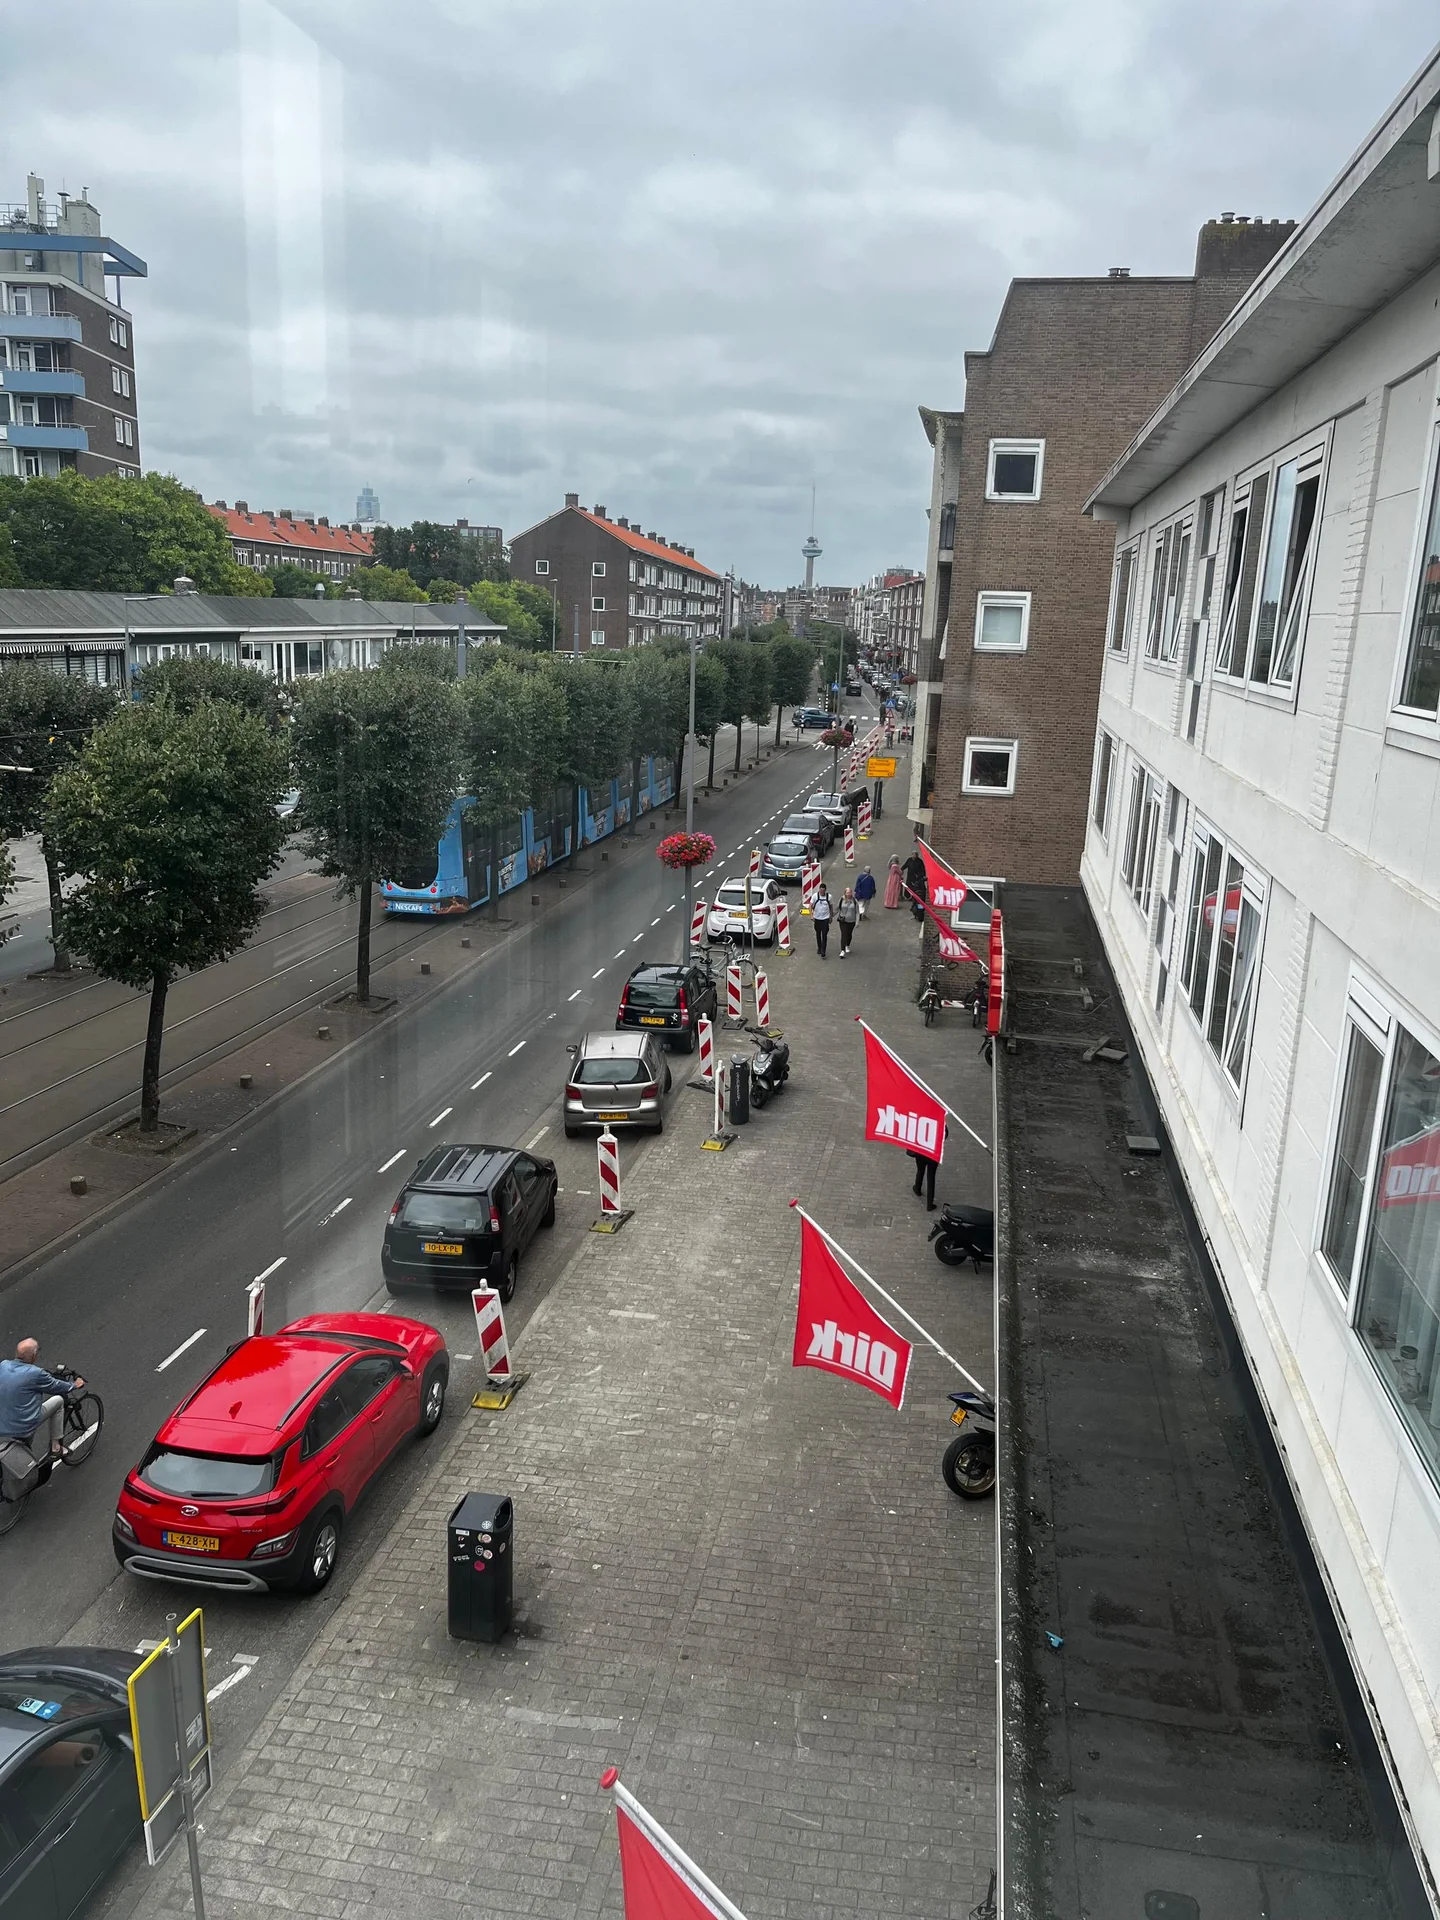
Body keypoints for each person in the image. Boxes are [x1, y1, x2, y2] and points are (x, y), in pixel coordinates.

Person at [0, 1339, 83, 1464]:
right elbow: (56, 1386)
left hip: (3, 1421)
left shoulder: (4, 1365)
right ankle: (56, 1447)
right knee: (59, 1401)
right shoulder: (35, 1373)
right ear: (33, 1355)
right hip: (23, 1424)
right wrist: (74, 1385)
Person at [812, 884, 833, 957]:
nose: (821, 892)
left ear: (825, 890)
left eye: (823, 891)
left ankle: (823, 950)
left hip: (825, 919)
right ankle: (819, 947)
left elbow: (831, 907)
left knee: (824, 935)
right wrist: (811, 915)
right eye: (820, 890)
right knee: (818, 934)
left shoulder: (829, 897)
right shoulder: (815, 896)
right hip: (817, 918)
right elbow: (810, 905)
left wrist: (831, 917)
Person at [836, 886, 859, 955]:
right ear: (845, 893)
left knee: (849, 934)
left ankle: (847, 945)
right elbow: (837, 909)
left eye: (850, 892)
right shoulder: (842, 899)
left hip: (851, 921)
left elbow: (857, 912)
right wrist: (830, 916)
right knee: (844, 934)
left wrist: (857, 921)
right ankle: (842, 950)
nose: (849, 894)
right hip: (843, 920)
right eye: (847, 892)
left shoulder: (854, 901)